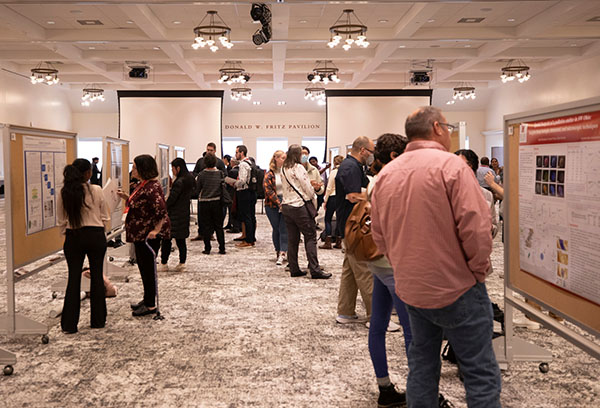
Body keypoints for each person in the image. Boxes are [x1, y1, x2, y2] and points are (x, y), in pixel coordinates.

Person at [371, 106, 501, 407]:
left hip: (412, 289)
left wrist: (405, 264)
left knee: (422, 366)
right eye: (449, 127)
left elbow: (379, 237)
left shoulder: (386, 175)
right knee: (479, 372)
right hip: (458, 287)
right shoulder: (452, 168)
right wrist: (477, 271)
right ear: (438, 128)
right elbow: (477, 230)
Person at [367, 134, 413, 407]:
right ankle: (420, 391)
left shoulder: (376, 183)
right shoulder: (396, 182)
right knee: (412, 332)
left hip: (378, 261)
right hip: (396, 263)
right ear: (395, 156)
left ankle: (384, 387)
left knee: (379, 324)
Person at [57, 158, 111, 334]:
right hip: (95, 236)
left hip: (74, 237)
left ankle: (69, 325)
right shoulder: (96, 190)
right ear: (88, 173)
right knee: (96, 276)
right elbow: (105, 216)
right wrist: (105, 231)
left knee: (73, 279)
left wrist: (68, 234)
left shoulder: (64, 192)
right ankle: (98, 320)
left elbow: (61, 220)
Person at [118, 155, 171, 317]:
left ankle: (150, 305)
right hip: (140, 234)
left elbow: (161, 210)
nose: (132, 170)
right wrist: (128, 198)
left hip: (147, 236)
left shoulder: (151, 187)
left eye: (134, 167)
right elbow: (142, 204)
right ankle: (147, 299)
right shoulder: (145, 185)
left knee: (147, 269)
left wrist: (156, 230)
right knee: (144, 268)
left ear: (142, 169)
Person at [335, 136, 375, 324]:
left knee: (350, 270)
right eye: (371, 151)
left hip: (350, 223)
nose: (372, 156)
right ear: (363, 150)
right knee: (364, 269)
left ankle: (345, 311)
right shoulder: (350, 167)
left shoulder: (352, 166)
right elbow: (352, 196)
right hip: (355, 224)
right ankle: (376, 317)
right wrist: (375, 195)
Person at [280, 144, 331, 279]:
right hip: (299, 206)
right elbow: (307, 187)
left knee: (293, 238)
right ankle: (315, 270)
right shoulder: (299, 168)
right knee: (310, 236)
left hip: (287, 206)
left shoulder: (284, 168)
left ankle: (294, 268)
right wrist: (313, 198)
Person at [158, 158, 195, 272]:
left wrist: (164, 207)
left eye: (172, 168)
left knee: (166, 240)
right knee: (181, 240)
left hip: (174, 215)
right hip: (183, 213)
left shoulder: (179, 182)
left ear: (178, 168)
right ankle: (182, 263)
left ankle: (164, 263)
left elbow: (173, 199)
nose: (172, 171)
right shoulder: (189, 178)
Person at [456, 149, 498, 239]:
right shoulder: (444, 193)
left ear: (472, 167)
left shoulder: (486, 195)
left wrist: (489, 228)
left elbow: (494, 226)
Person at [192, 142, 227, 241]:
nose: (209, 152)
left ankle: (210, 234)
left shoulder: (219, 162)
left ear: (215, 151)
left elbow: (224, 175)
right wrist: (197, 178)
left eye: (211, 150)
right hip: (202, 194)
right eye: (208, 150)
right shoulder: (200, 161)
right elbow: (195, 172)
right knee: (201, 216)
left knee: (213, 218)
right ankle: (201, 233)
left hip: (215, 195)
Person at [196, 153, 226, 255]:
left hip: (204, 202)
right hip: (217, 202)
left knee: (206, 226)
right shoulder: (220, 174)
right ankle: (222, 248)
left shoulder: (201, 175)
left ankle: (207, 248)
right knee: (219, 226)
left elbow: (198, 188)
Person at [227, 145, 256, 248]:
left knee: (246, 216)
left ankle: (248, 240)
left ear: (242, 153)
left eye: (237, 152)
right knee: (251, 216)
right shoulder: (251, 162)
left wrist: (233, 183)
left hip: (244, 192)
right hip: (251, 191)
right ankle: (251, 238)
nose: (235, 155)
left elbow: (242, 181)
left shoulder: (243, 164)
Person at [264, 150, 288, 266]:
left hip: (286, 201)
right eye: (283, 158)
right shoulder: (269, 174)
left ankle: (283, 253)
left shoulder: (286, 172)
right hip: (271, 204)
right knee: (276, 228)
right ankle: (278, 250)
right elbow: (268, 191)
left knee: (284, 228)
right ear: (276, 158)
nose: (284, 160)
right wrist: (279, 203)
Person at [319, 155, 344, 249]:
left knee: (328, 219)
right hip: (341, 198)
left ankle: (328, 242)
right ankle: (338, 241)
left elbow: (329, 187)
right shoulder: (345, 171)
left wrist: (325, 200)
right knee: (339, 219)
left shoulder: (334, 172)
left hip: (333, 197)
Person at [301, 146, 325, 212]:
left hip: (311, 202)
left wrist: (317, 188)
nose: (304, 156)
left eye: (306, 153)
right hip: (297, 203)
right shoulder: (292, 169)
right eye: (301, 153)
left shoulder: (314, 170)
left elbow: (321, 189)